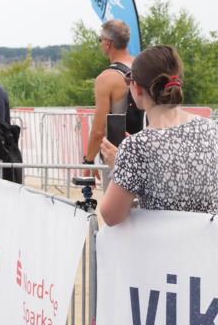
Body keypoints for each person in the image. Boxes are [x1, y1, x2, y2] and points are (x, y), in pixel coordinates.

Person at [98, 45, 218, 225]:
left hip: (166, 250)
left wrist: (118, 167)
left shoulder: (137, 146)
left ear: (137, 88)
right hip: (209, 249)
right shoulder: (212, 129)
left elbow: (111, 215)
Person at [84, 19, 140, 173]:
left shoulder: (106, 78)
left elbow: (98, 130)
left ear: (108, 43)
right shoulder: (143, 66)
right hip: (147, 150)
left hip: (118, 156)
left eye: (100, 40)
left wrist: (88, 161)